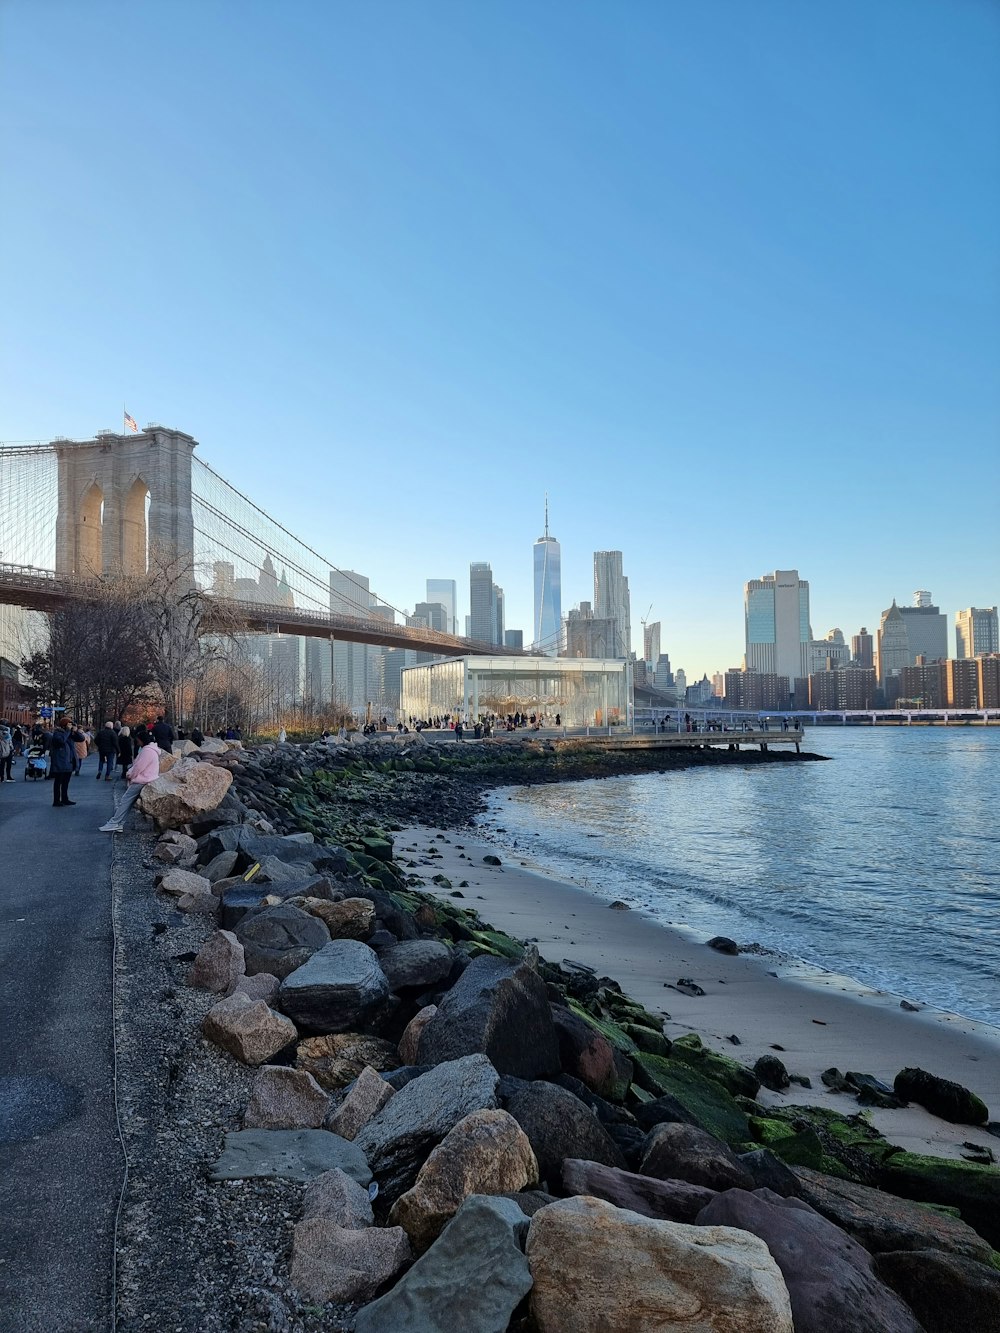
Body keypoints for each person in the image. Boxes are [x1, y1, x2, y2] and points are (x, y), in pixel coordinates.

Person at [99, 732, 162, 832]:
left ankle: (115, 823)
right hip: (148, 779)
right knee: (127, 802)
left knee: (125, 801)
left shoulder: (147, 751)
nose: (136, 741)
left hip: (142, 780)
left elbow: (138, 767)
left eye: (138, 740)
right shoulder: (151, 750)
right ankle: (119, 823)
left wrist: (130, 776)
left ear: (142, 740)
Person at [50, 719, 84, 806]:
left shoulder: (69, 733)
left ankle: (65, 798)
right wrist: (68, 731)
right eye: (68, 724)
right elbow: (61, 741)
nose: (70, 726)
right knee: (58, 782)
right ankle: (56, 800)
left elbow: (81, 739)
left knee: (66, 782)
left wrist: (75, 731)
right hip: (60, 760)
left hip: (69, 760)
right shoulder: (58, 733)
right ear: (64, 725)